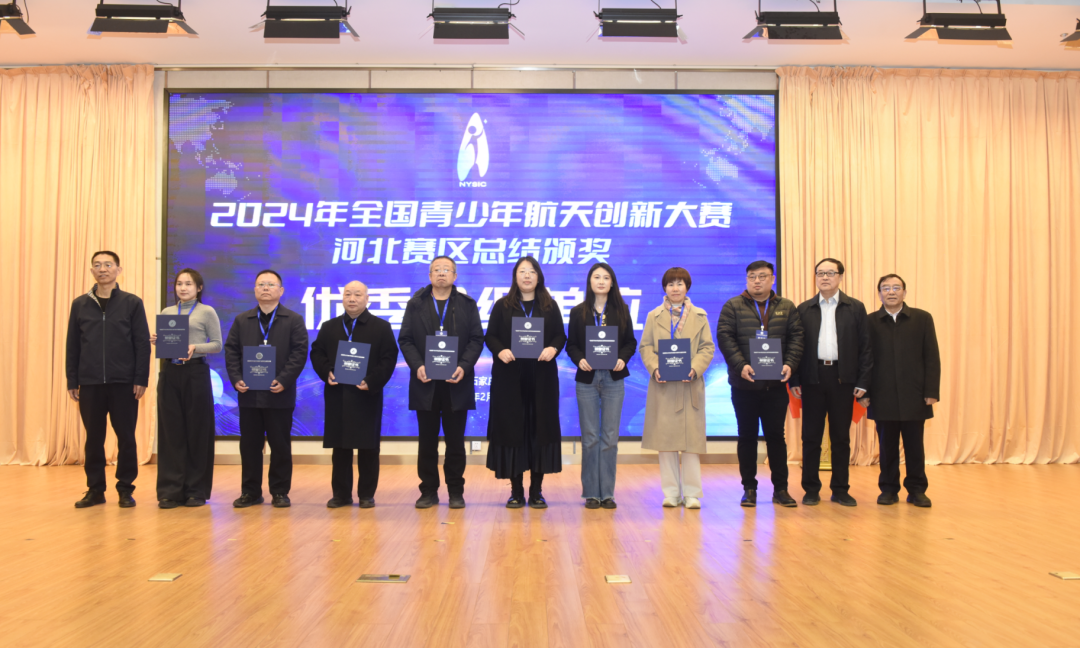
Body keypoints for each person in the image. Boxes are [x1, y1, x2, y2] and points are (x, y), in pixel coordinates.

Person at [66, 251, 151, 508]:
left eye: (108, 264)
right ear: (92, 271)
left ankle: (125, 488)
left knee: (126, 437)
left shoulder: (132, 303)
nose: (102, 269)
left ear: (118, 270)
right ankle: (95, 489)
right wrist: (72, 380)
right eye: (97, 265)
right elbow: (73, 345)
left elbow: (142, 344)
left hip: (124, 382)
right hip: (90, 382)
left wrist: (141, 378)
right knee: (93, 438)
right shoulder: (80, 304)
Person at [398, 257, 484, 510]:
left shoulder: (467, 304)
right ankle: (428, 491)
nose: (442, 274)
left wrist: (463, 366)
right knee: (427, 442)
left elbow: (477, 339)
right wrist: (417, 365)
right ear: (430, 275)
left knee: (455, 442)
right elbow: (405, 339)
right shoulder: (416, 304)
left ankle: (456, 492)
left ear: (455, 276)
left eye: (447, 270)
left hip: (457, 382)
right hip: (425, 383)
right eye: (437, 270)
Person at [717, 260, 804, 508]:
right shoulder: (732, 306)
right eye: (752, 276)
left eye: (762, 276)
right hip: (744, 386)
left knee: (776, 437)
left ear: (772, 279)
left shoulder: (786, 307)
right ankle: (749, 489)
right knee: (747, 436)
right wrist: (741, 365)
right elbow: (725, 338)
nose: (757, 281)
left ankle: (781, 489)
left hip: (776, 386)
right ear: (747, 280)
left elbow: (797, 338)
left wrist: (790, 364)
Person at [223, 270, 309, 509]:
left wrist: (284, 379)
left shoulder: (293, 320)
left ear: (281, 291)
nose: (265, 288)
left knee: (280, 446)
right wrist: (236, 379)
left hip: (279, 394)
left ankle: (280, 492)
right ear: (255, 290)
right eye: (261, 284)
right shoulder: (242, 320)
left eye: (271, 284)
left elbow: (299, 353)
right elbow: (231, 351)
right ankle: (250, 492)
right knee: (249, 446)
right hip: (249, 394)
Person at [790, 258, 872, 507]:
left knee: (840, 438)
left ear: (840, 277)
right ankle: (811, 489)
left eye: (830, 273)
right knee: (811, 437)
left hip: (843, 379)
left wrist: (863, 381)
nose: (824, 277)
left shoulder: (855, 308)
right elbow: (795, 346)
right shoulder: (804, 309)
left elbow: (866, 348)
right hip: (812, 378)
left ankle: (840, 489)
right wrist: (795, 379)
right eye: (820, 273)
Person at [485, 256, 566, 509]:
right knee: (513, 431)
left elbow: (560, 335)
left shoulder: (550, 305)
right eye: (522, 271)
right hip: (510, 377)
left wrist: (553, 348)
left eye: (532, 271)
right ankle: (516, 491)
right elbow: (491, 336)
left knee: (539, 430)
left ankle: (537, 491)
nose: (527, 276)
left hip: (542, 378)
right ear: (515, 276)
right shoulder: (502, 305)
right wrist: (500, 350)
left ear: (539, 276)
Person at [310, 281, 399, 508]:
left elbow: (389, 359)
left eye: (357, 294)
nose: (352, 299)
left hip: (367, 395)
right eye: (348, 294)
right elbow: (317, 353)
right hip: (337, 394)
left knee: (368, 447)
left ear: (367, 298)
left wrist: (371, 381)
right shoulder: (329, 327)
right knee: (340, 448)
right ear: (342, 298)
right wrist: (327, 372)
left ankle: (366, 494)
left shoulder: (381, 327)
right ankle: (341, 495)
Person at [863, 274, 940, 508]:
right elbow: (864, 359)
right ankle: (888, 489)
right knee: (887, 447)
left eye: (896, 287)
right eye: (886, 288)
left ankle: (917, 490)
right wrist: (865, 392)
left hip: (914, 394)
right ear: (879, 294)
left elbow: (932, 357)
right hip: (881, 393)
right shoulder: (869, 321)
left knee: (915, 446)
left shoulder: (922, 318)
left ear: (904, 292)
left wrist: (931, 391)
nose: (891, 292)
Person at [640, 267, 715, 509]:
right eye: (671, 284)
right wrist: (655, 368)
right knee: (666, 442)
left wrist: (694, 368)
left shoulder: (700, 316)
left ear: (687, 287)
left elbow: (707, 348)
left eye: (680, 283)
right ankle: (671, 492)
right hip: (664, 387)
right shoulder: (654, 316)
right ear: (664, 287)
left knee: (691, 443)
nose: (675, 288)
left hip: (689, 385)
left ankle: (692, 493)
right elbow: (645, 347)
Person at [566, 263, 638, 510]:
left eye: (606, 277)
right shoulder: (578, 312)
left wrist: (622, 358)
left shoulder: (622, 310)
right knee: (589, 438)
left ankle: (607, 492)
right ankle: (591, 493)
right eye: (596, 277)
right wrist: (579, 359)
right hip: (587, 378)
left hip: (613, 378)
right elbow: (571, 344)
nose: (601, 281)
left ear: (612, 282)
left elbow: (630, 342)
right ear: (589, 281)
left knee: (609, 438)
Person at [150, 268, 222, 509]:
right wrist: (158, 341)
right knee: (171, 432)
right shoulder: (167, 312)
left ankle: (195, 490)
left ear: (199, 288)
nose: (183, 288)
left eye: (189, 284)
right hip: (170, 372)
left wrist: (194, 347)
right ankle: (170, 491)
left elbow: (217, 344)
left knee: (197, 432)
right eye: (179, 283)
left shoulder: (206, 311)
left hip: (195, 373)